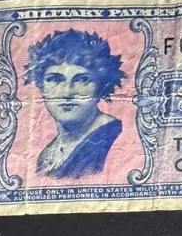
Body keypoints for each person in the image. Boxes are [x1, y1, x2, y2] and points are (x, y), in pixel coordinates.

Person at [24, 30, 126, 179]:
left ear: (101, 87)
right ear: (41, 86)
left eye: (82, 80)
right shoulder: (48, 153)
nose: (67, 92)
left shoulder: (114, 138)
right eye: (55, 79)